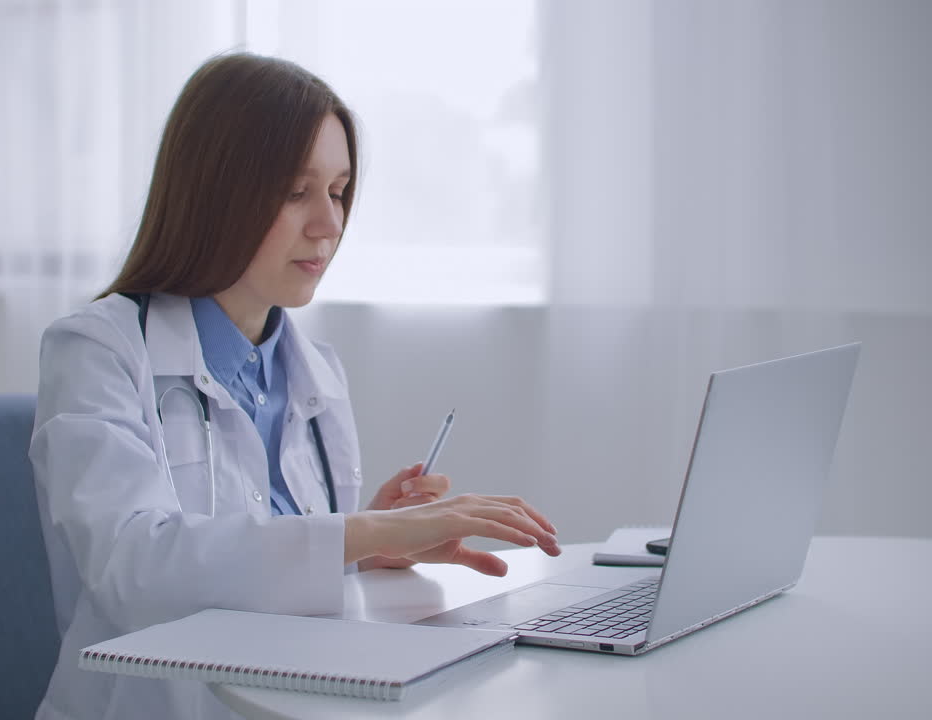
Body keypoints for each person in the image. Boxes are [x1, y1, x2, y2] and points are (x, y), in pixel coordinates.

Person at [28, 53, 561, 720]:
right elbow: (137, 569)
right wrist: (355, 532)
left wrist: (372, 551)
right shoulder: (98, 350)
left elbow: (280, 578)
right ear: (213, 191)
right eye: (294, 191)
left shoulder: (316, 375)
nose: (329, 224)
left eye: (338, 191)